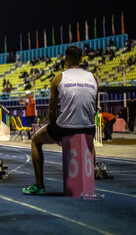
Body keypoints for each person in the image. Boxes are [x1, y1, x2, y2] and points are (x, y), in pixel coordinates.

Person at [23, 45, 98, 195]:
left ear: (65, 59)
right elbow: (94, 107)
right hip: (89, 128)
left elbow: (52, 111)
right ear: (82, 59)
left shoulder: (59, 79)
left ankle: (39, 185)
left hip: (66, 128)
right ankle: (89, 181)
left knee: (35, 141)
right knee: (89, 139)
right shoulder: (93, 78)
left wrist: (56, 131)